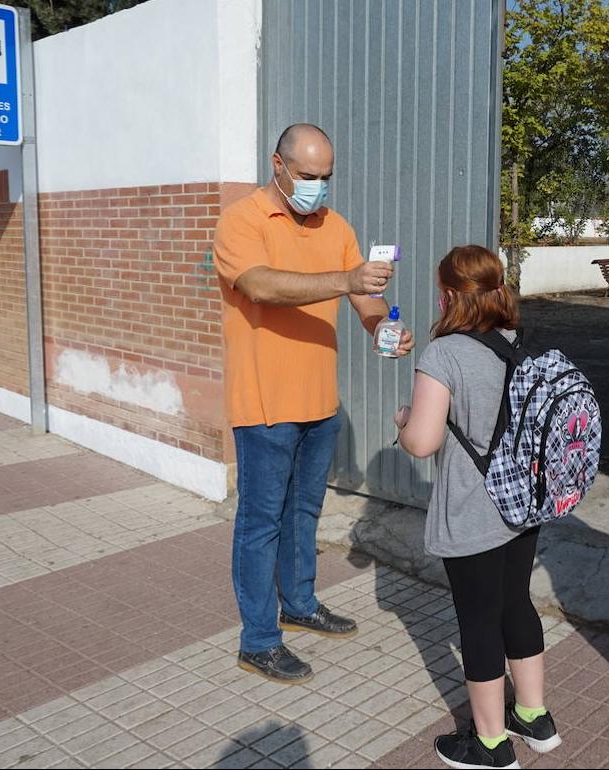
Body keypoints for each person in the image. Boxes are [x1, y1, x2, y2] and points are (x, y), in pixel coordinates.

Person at [213, 123, 414, 684]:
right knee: (261, 523)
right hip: (265, 404)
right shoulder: (243, 220)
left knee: (304, 514)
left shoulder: (337, 227)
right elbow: (261, 286)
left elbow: (364, 296)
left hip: (319, 402)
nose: (318, 188)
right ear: (277, 165)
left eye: (326, 177)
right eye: (307, 176)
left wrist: (383, 329)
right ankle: (258, 640)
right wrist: (346, 277)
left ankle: (299, 606)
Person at [393, 245, 560, 770]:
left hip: (473, 511)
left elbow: (422, 441)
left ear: (446, 295)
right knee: (516, 604)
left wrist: (403, 420)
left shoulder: (444, 354)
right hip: (523, 507)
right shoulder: (517, 342)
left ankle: (489, 745)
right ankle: (535, 718)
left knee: (479, 622)